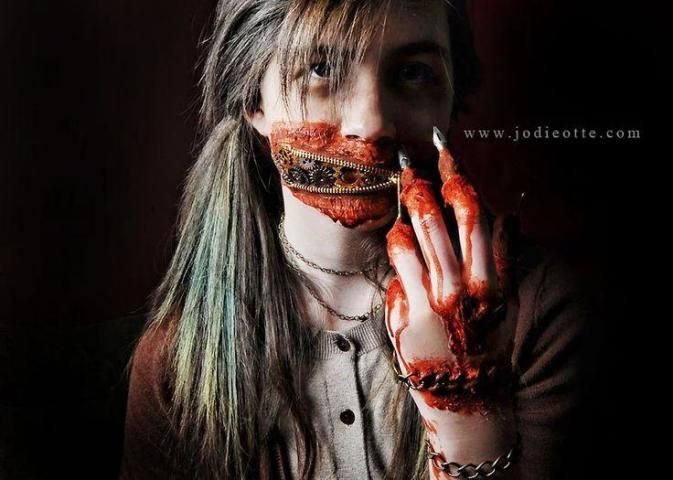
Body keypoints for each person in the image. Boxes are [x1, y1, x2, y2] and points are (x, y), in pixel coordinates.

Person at [120, 1, 592, 479]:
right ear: (253, 101)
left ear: (452, 97)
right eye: (321, 69)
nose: (373, 124)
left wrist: (464, 415)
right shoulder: (179, 363)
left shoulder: (534, 313)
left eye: (412, 72)